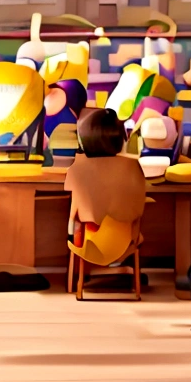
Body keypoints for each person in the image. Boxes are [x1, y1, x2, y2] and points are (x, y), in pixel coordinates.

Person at [63, 107, 148, 267]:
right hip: (124, 243)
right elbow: (138, 211)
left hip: (89, 244)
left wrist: (71, 236)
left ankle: (78, 276)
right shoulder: (132, 166)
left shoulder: (77, 168)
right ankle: (120, 262)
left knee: (78, 219)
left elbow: (74, 216)